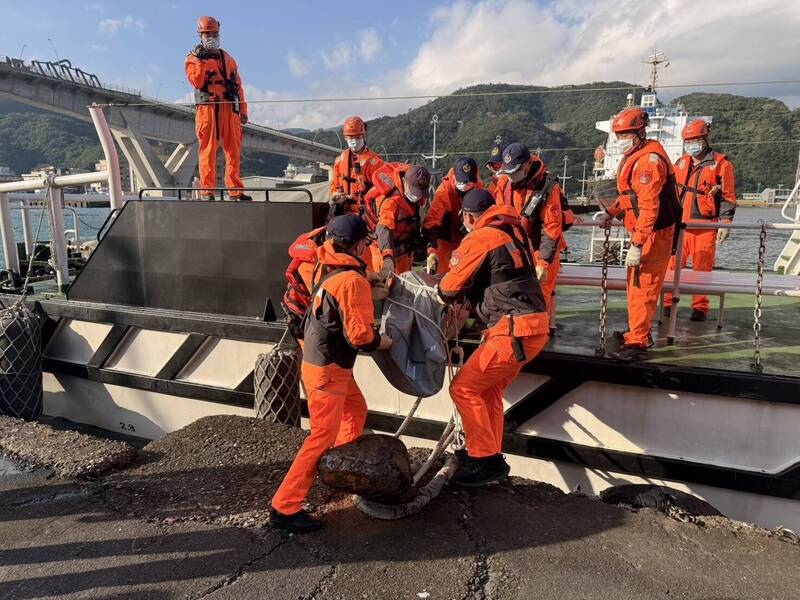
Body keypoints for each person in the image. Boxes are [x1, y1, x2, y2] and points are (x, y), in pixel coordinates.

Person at [270, 215, 391, 533]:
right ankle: (284, 506)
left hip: (325, 363)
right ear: (361, 245)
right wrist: (387, 341)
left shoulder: (324, 264)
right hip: (328, 371)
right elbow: (361, 336)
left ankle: (338, 469)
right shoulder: (351, 280)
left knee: (356, 409)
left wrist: (369, 281)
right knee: (321, 436)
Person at [436, 189, 549, 486]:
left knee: (463, 388)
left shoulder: (481, 237)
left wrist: (440, 293)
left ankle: (484, 459)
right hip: (531, 327)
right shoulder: (515, 233)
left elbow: (448, 288)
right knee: (488, 392)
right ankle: (489, 454)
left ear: (469, 217)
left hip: (510, 331)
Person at [593, 107, 681, 361]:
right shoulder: (637, 155)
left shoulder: (648, 163)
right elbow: (628, 197)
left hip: (653, 233)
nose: (621, 139)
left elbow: (649, 207)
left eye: (625, 134)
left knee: (643, 287)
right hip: (644, 231)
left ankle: (638, 342)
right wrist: (610, 212)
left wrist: (638, 243)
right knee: (636, 286)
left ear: (640, 132)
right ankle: (637, 331)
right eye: (619, 135)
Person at [664, 120, 736, 321]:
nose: (691, 144)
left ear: (705, 138)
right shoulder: (680, 163)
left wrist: (725, 224)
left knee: (702, 269)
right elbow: (670, 191)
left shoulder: (722, 164)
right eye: (688, 140)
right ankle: (667, 303)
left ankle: (700, 308)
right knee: (671, 267)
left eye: (695, 139)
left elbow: (728, 196)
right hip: (679, 225)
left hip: (705, 226)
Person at [492, 143, 565, 315]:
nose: (511, 176)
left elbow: (551, 228)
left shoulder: (547, 187)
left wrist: (543, 263)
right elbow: (498, 214)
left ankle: (540, 331)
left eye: (514, 172)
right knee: (512, 296)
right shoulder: (504, 182)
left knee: (539, 299)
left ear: (527, 165)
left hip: (541, 250)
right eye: (508, 172)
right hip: (515, 248)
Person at [185, 16, 251, 201]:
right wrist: (201, 61)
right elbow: (197, 82)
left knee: (233, 151)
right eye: (208, 34)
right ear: (200, 36)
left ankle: (235, 191)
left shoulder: (228, 59)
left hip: (229, 108)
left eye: (214, 34)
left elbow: (238, 86)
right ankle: (208, 191)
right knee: (207, 151)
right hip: (207, 109)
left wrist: (243, 110)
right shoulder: (192, 59)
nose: (212, 38)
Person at [363, 163, 431, 280]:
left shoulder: (416, 196)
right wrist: (387, 257)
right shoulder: (390, 202)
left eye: (420, 192)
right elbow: (384, 227)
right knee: (384, 282)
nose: (417, 196)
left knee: (405, 281)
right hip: (382, 246)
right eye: (415, 191)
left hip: (403, 246)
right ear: (404, 182)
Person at [422, 157, 481, 274]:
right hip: (444, 242)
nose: (465, 185)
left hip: (469, 240)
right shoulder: (443, 192)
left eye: (469, 182)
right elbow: (431, 222)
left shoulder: (478, 187)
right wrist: (432, 251)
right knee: (442, 276)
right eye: (461, 181)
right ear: (454, 176)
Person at [329, 116, 385, 216]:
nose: (354, 141)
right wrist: (335, 195)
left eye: (358, 137)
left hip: (366, 213)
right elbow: (334, 185)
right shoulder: (339, 161)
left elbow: (383, 190)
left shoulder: (375, 162)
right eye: (351, 138)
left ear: (363, 136)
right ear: (345, 138)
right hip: (343, 211)